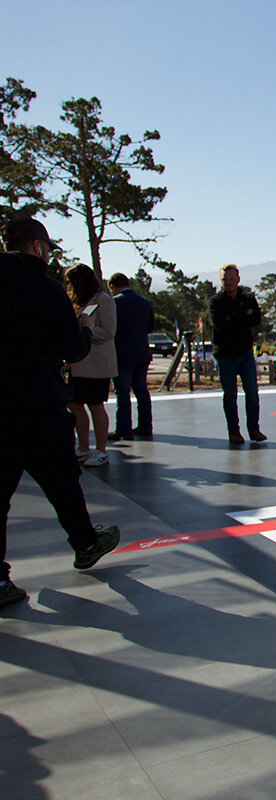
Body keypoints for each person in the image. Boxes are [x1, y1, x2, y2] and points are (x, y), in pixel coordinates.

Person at [0, 217, 120, 608]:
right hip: (36, 402)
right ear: (37, 246)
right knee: (62, 479)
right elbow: (72, 348)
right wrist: (82, 329)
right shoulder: (45, 289)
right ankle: (85, 543)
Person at [64, 265, 117, 467]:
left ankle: (101, 451)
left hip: (96, 365)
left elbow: (110, 331)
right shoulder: (80, 302)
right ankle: (84, 448)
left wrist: (87, 331)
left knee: (96, 406)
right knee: (75, 405)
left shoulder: (103, 300)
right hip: (79, 363)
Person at [209, 263, 266, 443]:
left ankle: (254, 429)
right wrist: (243, 316)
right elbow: (220, 325)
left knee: (252, 390)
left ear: (238, 279)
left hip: (244, 352)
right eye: (225, 280)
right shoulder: (215, 302)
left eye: (232, 279)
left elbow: (256, 319)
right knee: (230, 394)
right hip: (225, 355)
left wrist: (233, 317)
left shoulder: (247, 297)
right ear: (221, 281)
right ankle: (234, 431)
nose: (229, 282)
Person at [109, 272, 155, 440]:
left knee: (122, 392)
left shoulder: (113, 303)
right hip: (142, 353)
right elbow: (150, 327)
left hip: (122, 354)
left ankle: (123, 428)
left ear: (113, 286)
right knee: (141, 390)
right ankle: (145, 425)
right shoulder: (145, 303)